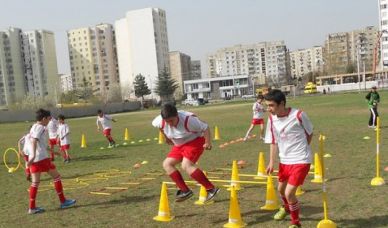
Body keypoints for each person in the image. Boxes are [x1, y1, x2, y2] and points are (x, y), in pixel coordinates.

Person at [264, 89, 313, 228]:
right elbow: (273, 140)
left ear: (282, 104)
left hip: (301, 160)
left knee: (289, 192)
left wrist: (303, 150)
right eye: (267, 105)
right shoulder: (271, 119)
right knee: (280, 190)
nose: (269, 109)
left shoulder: (299, 115)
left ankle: (295, 223)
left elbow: (310, 133)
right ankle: (286, 208)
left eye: (271, 105)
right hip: (284, 161)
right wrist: (272, 162)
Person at [152, 103, 220, 202]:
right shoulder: (159, 121)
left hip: (195, 141)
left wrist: (208, 142)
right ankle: (185, 190)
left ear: (177, 116)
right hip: (179, 144)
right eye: (167, 121)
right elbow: (161, 128)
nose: (170, 123)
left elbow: (205, 127)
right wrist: (167, 138)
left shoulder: (189, 120)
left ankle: (211, 189)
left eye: (172, 120)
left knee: (186, 165)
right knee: (167, 164)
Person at [27, 108, 76, 214]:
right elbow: (35, 140)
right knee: (57, 177)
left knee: (35, 183)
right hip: (41, 158)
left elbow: (42, 144)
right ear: (44, 118)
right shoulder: (40, 127)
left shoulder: (34, 127)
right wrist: (34, 154)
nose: (49, 121)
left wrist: (55, 152)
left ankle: (32, 208)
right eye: (48, 119)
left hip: (35, 159)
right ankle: (63, 201)